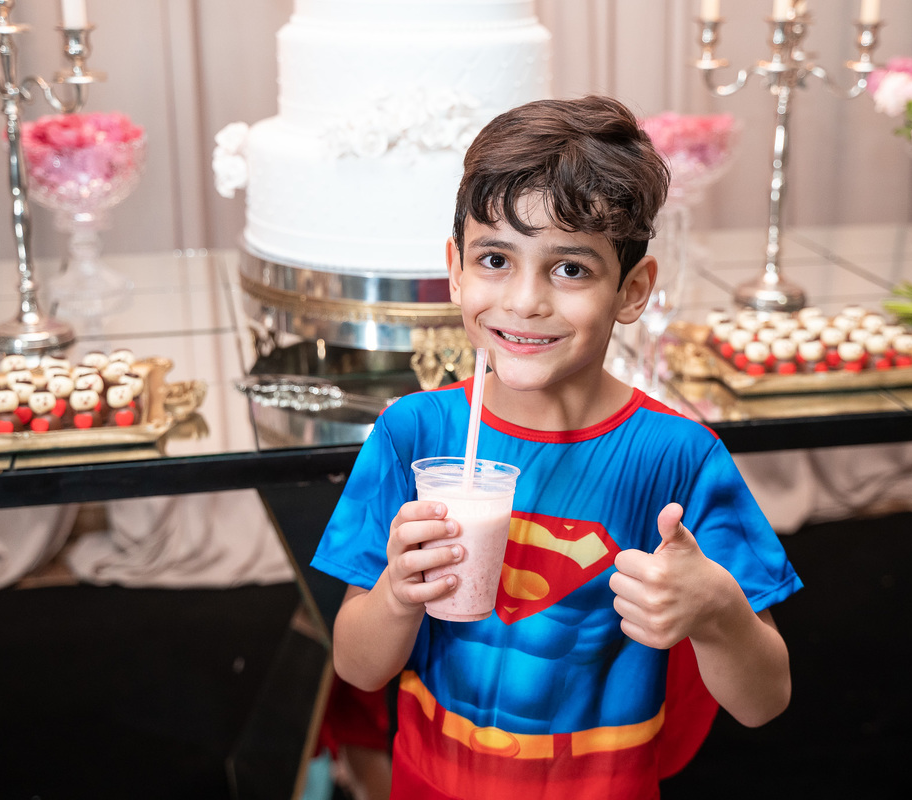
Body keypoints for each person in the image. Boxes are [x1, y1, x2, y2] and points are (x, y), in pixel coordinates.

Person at [310, 95, 802, 800]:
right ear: (455, 270)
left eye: (570, 269)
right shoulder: (411, 433)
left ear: (632, 290)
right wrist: (395, 595)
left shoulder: (678, 459)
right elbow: (358, 668)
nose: (525, 301)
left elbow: (765, 700)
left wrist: (718, 611)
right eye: (495, 259)